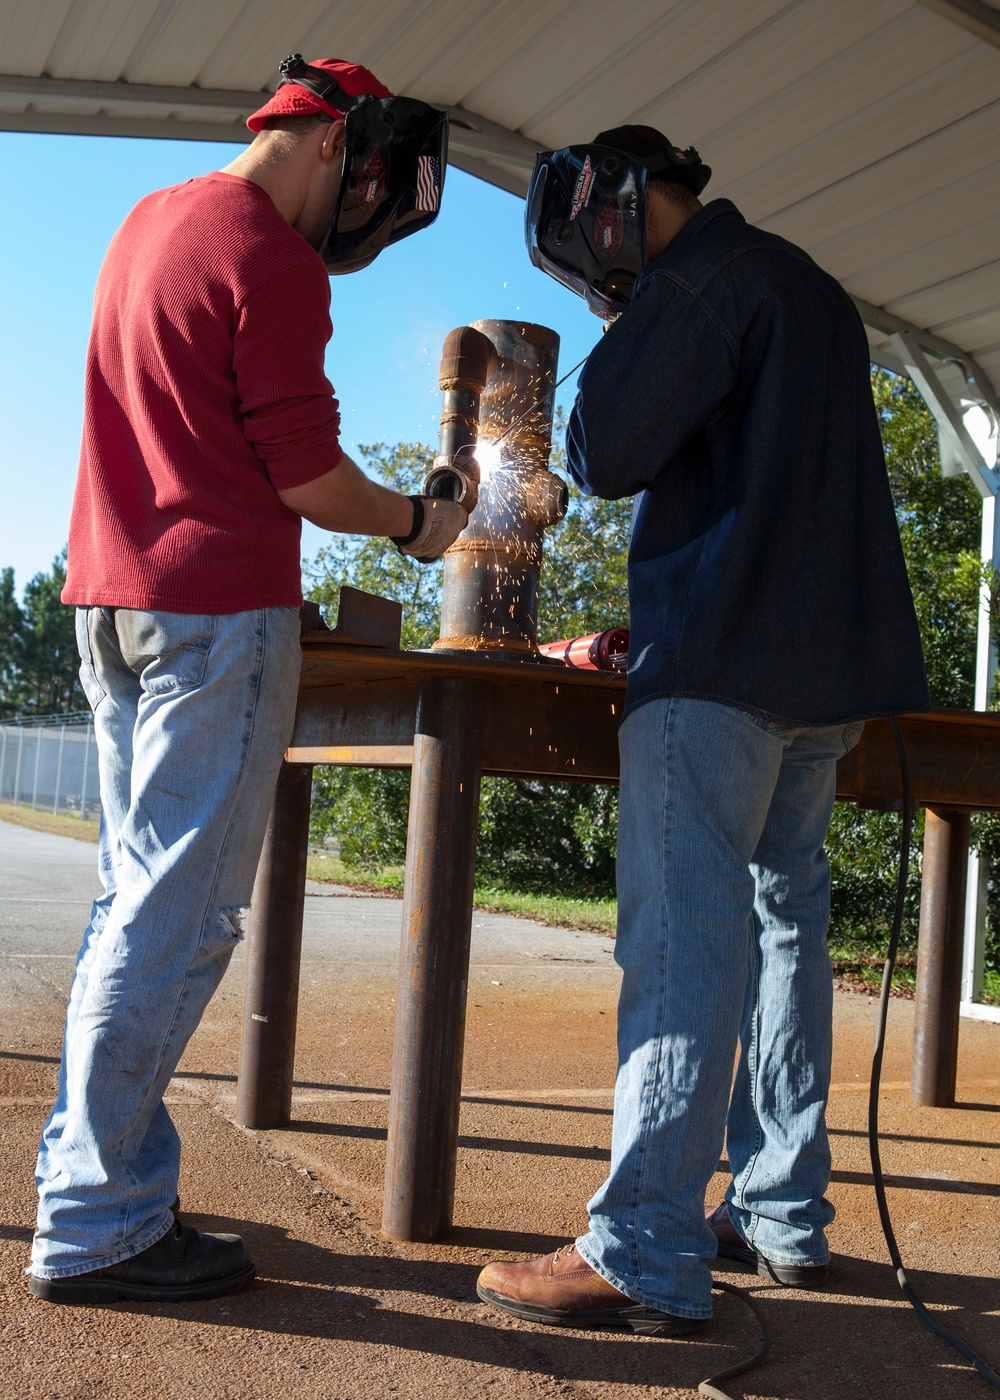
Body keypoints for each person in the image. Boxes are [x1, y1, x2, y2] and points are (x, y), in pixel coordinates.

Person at [477, 125, 930, 1333]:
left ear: (612, 209)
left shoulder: (700, 281)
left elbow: (603, 448)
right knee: (786, 933)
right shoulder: (808, 286)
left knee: (682, 940)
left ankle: (644, 1246)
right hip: (820, 678)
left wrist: (618, 346)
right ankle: (781, 1213)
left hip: (719, 660)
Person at [31, 55, 466, 1305]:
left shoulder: (148, 219)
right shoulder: (267, 254)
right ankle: (98, 1217)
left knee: (134, 897)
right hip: (215, 610)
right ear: (332, 142)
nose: (364, 214)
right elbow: (303, 474)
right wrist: (412, 526)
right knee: (182, 913)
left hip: (111, 597)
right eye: (370, 180)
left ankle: (98, 1182)